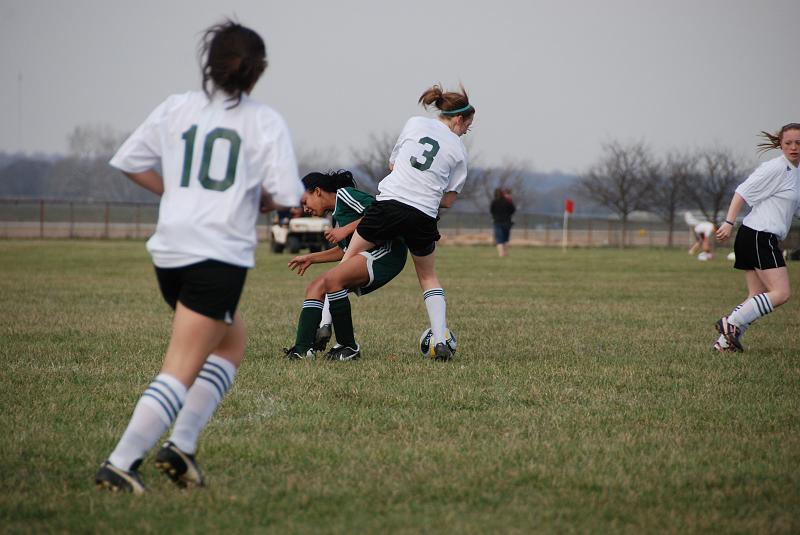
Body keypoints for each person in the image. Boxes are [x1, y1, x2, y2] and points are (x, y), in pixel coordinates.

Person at [94, 20, 302, 493]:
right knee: (181, 366)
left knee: (230, 343)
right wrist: (256, 200)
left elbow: (130, 161)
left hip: (169, 252)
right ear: (257, 72)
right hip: (217, 256)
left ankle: (182, 447)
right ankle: (121, 463)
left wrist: (177, 193)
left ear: (209, 64)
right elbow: (285, 194)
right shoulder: (263, 120)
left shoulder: (176, 108)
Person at [339, 85, 475, 361]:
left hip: (388, 205)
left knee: (346, 262)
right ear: (458, 119)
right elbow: (447, 201)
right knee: (428, 277)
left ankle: (325, 324)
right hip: (423, 214)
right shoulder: (459, 151)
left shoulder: (414, 124)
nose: (465, 133)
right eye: (467, 127)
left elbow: (393, 165)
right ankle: (440, 340)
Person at [283, 170, 408, 361]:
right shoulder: (337, 215)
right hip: (367, 253)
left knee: (332, 281)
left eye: (304, 201)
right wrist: (311, 258)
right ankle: (303, 350)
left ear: (317, 191)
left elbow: (381, 212)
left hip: (388, 252)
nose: (304, 208)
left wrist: (345, 230)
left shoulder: (346, 195)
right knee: (315, 287)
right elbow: (346, 251)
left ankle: (348, 346)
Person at [713, 123, 800, 353]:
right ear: (780, 144)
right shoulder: (776, 168)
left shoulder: (796, 173)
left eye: (798, 143)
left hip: (754, 235)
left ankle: (724, 345)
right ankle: (730, 324)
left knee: (757, 295)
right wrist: (728, 222)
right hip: (759, 236)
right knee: (781, 293)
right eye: (788, 142)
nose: (793, 147)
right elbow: (742, 191)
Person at [490, 188, 516, 257]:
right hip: (507, 222)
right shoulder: (507, 202)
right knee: (505, 239)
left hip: (497, 222)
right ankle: (505, 253)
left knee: (499, 239)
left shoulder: (494, 202)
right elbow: (513, 210)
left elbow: (492, 211)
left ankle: (501, 254)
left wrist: (495, 216)